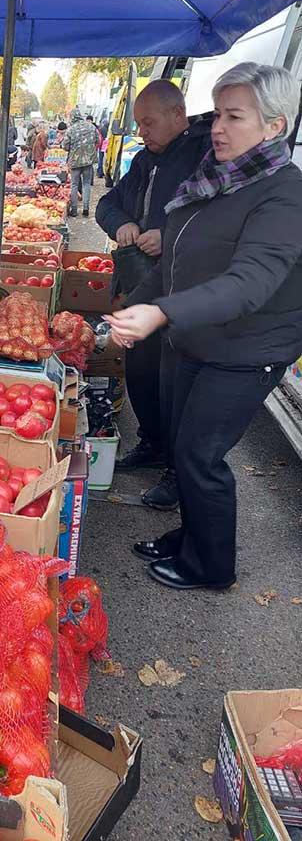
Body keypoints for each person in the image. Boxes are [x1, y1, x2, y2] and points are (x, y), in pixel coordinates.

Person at [106, 62, 302, 591]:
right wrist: (135, 306)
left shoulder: (285, 193)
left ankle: (211, 566)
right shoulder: (220, 179)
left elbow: (249, 283)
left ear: (275, 125)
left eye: (234, 117)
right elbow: (175, 262)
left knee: (199, 454)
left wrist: (162, 313)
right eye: (216, 114)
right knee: (179, 443)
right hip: (196, 337)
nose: (217, 128)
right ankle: (189, 536)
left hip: (247, 348)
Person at [96, 81, 212, 510]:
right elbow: (106, 204)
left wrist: (169, 234)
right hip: (143, 284)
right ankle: (152, 443)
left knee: (177, 382)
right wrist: (122, 224)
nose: (141, 132)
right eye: (139, 124)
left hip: (184, 292)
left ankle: (177, 473)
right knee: (142, 369)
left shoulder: (205, 157)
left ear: (178, 114)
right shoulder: (145, 161)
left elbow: (214, 221)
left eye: (148, 123)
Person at [62, 108, 99, 216]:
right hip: (88, 161)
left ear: (72, 117)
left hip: (75, 161)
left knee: (74, 185)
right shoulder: (91, 127)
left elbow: (65, 146)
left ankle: (74, 210)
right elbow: (97, 141)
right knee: (86, 184)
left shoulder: (71, 129)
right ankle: (86, 208)